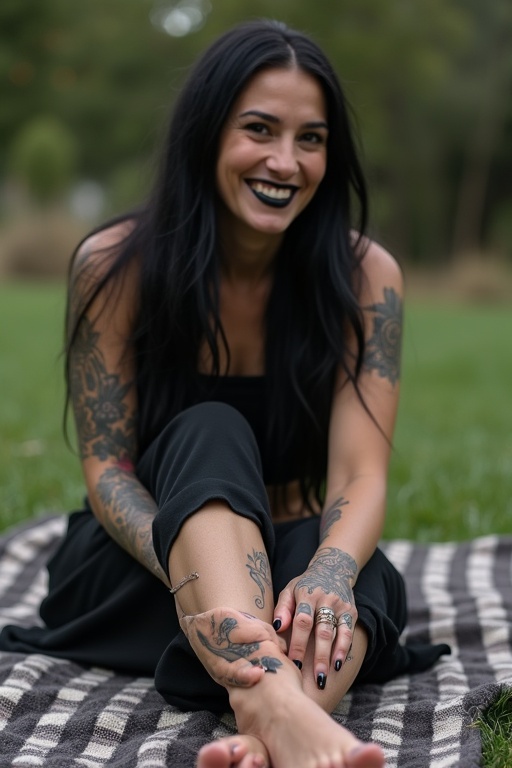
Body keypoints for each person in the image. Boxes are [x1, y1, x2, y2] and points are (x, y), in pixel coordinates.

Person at [0, 19, 450, 768]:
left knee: (363, 577)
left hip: (284, 560)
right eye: (260, 129)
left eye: (311, 138)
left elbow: (359, 475)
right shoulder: (115, 265)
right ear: (207, 133)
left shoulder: (367, 280)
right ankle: (285, 702)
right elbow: (107, 471)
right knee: (211, 425)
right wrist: (189, 569)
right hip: (135, 570)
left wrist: (328, 575)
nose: (286, 160)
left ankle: (266, 731)